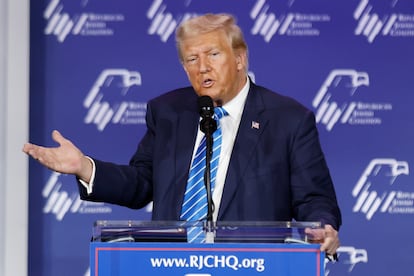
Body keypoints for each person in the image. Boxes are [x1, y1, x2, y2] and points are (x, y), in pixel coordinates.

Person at [23, 13, 341, 256]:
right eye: (192, 59)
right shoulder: (168, 112)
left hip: (251, 264)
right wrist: (85, 167)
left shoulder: (288, 119)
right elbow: (141, 183)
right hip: (171, 263)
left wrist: (323, 228)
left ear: (240, 58)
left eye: (213, 55)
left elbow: (314, 197)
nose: (202, 68)